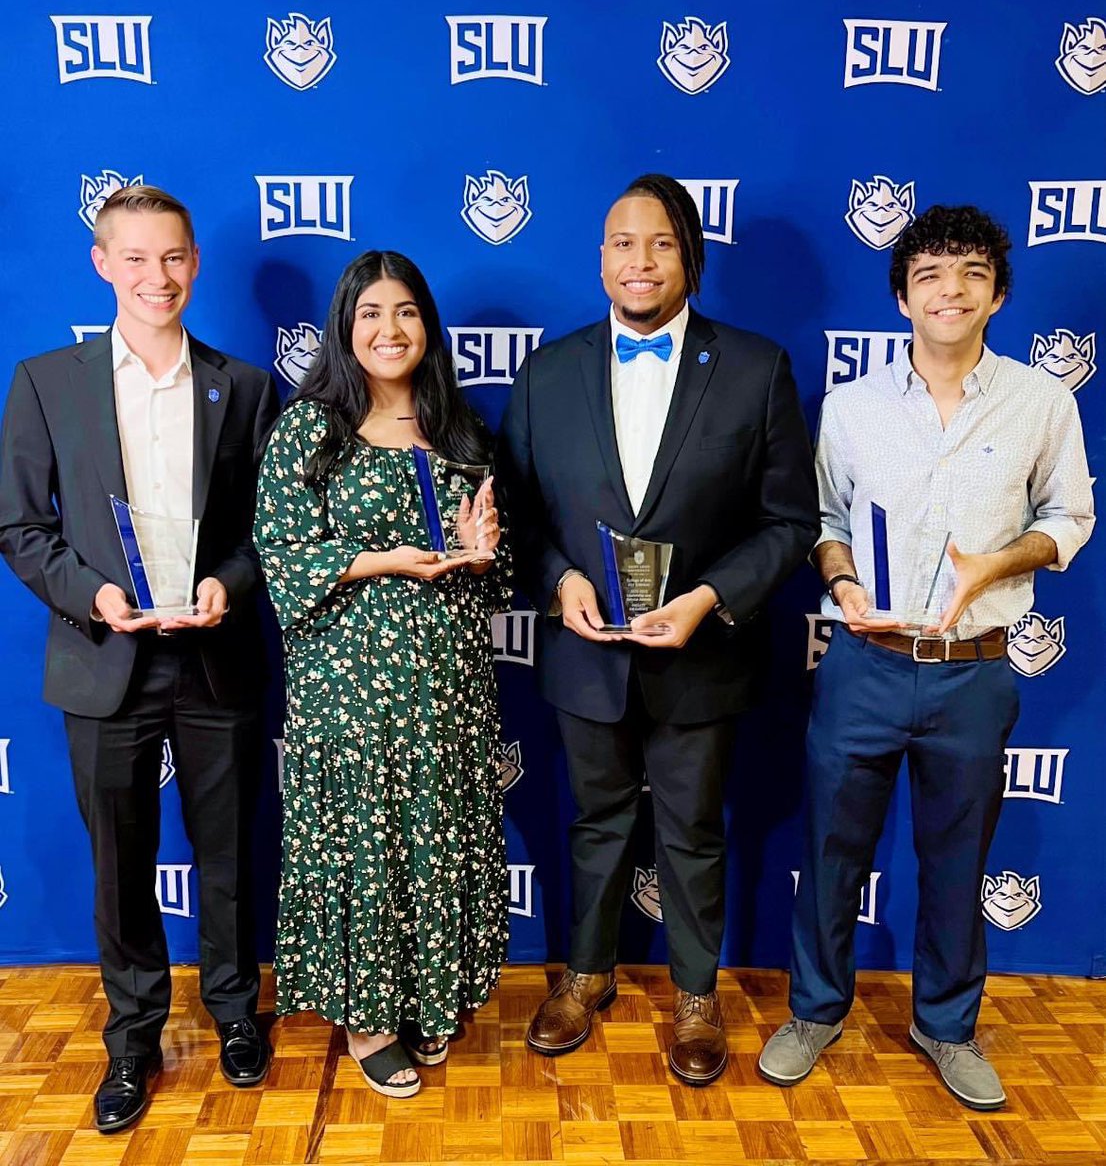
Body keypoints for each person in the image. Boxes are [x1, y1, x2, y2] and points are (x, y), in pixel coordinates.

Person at [759, 205, 1094, 1110]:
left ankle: (945, 1025)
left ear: (998, 293)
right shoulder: (854, 407)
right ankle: (815, 1012)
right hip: (865, 662)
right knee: (831, 850)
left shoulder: (1041, 401)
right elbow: (824, 525)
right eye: (933, 273)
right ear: (903, 294)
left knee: (957, 861)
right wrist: (841, 583)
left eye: (973, 273)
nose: (952, 289)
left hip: (975, 668)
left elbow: (1071, 518)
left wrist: (1000, 560)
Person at [498, 174, 819, 1087]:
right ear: (599, 257)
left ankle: (695, 994)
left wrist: (711, 598)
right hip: (585, 655)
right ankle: (586, 977)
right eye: (622, 243)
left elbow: (790, 522)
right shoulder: (549, 371)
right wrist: (557, 581)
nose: (639, 261)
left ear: (693, 259)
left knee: (692, 831)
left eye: (661, 243)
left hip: (703, 652)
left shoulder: (757, 369)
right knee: (593, 822)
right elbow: (514, 512)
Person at [0, 186, 279, 1133]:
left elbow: (262, 533)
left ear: (195, 263)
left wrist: (227, 587)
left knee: (230, 853)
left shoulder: (241, 386)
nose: (157, 278)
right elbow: (19, 524)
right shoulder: (46, 381)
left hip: (215, 658)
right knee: (119, 862)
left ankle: (236, 1013)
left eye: (174, 258)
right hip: (103, 655)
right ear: (102, 264)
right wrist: (93, 595)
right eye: (136, 259)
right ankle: (132, 1038)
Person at [254, 250, 510, 1097]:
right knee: (367, 849)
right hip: (350, 695)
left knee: (435, 844)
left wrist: (482, 556)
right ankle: (369, 1023)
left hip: (450, 690)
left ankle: (428, 996)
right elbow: (280, 556)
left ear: (428, 327)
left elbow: (498, 570)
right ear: (346, 327)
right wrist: (374, 560)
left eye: (405, 312)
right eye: (371, 313)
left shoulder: (464, 431)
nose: (389, 329)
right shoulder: (309, 430)